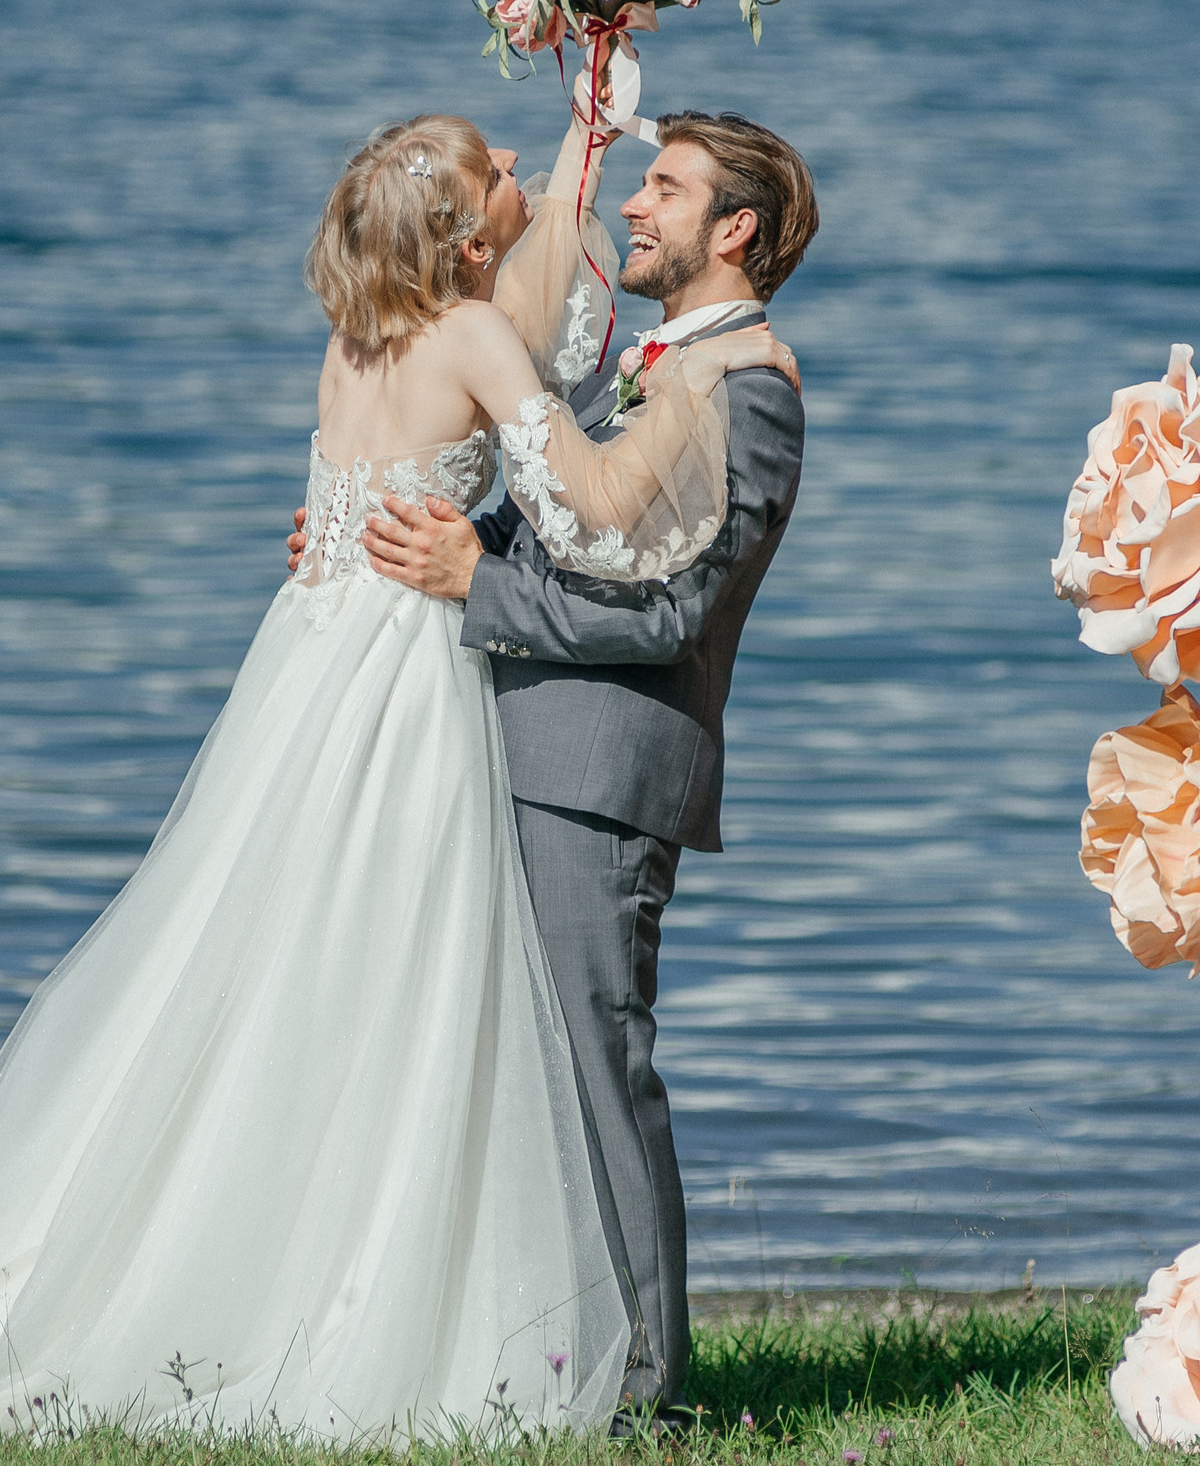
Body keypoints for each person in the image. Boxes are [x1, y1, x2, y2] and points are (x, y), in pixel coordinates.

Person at [0, 103, 796, 1436]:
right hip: (412, 670)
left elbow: (445, 441)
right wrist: (678, 406)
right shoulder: (481, 335)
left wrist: (578, 182)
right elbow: (585, 497)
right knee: (413, 987)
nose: (520, 181)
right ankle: (399, 1303)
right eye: (500, 176)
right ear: (462, 226)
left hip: (313, 656)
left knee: (284, 962)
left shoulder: (357, 340)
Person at [291, 109, 814, 1423]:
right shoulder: (657, 360)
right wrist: (401, 520)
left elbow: (676, 612)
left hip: (600, 761)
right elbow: (563, 515)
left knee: (599, 1058)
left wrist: (475, 588)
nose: (633, 207)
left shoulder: (749, 386)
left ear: (732, 231)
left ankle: (649, 1385)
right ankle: (542, 1346)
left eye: (665, 188)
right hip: (507, 736)